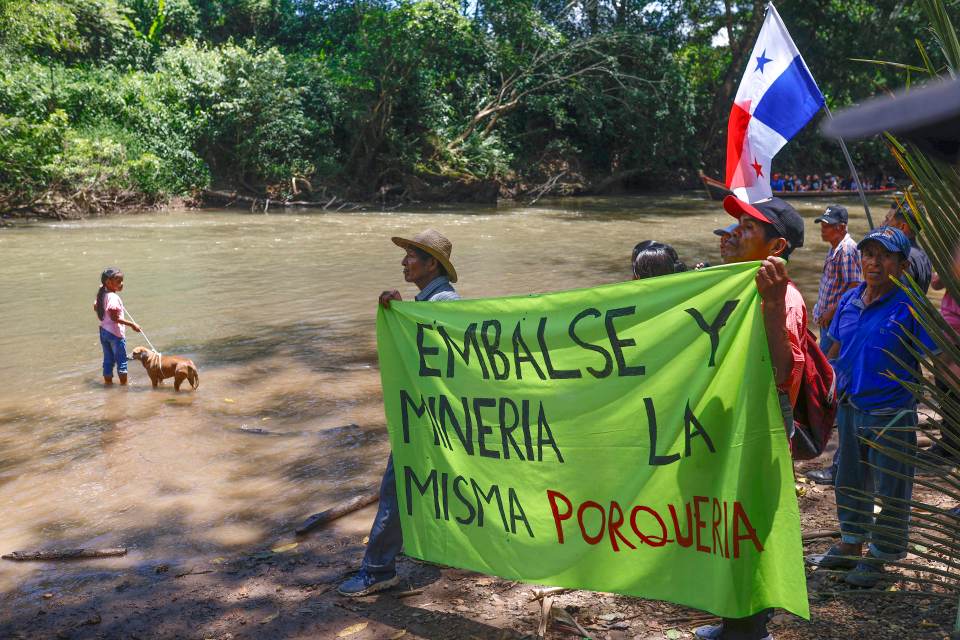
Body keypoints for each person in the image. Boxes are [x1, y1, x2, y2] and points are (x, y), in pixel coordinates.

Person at [695, 196, 806, 640]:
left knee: (750, 522)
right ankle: (733, 623)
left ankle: (751, 630)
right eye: (736, 223)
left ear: (776, 247)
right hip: (735, 418)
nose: (735, 232)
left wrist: (774, 304)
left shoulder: (786, 298)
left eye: (747, 226)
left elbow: (783, 374)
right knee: (727, 515)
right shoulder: (737, 287)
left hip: (761, 424)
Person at [811, 227, 939, 587]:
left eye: (884, 256)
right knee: (849, 480)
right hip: (850, 407)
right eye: (868, 254)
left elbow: (941, 356)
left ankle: (882, 556)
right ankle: (852, 543)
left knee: (892, 488)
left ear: (901, 265)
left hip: (892, 412)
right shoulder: (851, 300)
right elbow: (829, 352)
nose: (874, 262)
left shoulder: (912, 306)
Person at [338, 228, 461, 597]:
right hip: (435, 416)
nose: (403, 261)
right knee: (433, 484)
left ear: (431, 263)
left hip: (429, 418)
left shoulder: (443, 307)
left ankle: (378, 570)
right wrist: (399, 310)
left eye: (410, 255)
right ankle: (441, 548)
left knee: (398, 488)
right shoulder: (432, 303)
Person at [805, 206, 861, 485]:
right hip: (828, 322)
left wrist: (831, 313)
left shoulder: (848, 250)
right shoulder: (835, 248)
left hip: (836, 324)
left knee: (830, 372)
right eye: (822, 224)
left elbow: (852, 288)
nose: (823, 228)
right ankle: (832, 414)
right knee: (828, 371)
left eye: (827, 224)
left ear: (841, 226)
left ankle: (831, 416)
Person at [93, 267, 141, 386]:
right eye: (118, 281)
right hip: (115, 334)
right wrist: (132, 325)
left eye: (122, 281)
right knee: (122, 361)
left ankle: (108, 385)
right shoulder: (113, 297)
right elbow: (114, 318)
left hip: (104, 331)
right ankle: (124, 387)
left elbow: (95, 307)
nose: (121, 284)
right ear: (108, 283)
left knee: (108, 360)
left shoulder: (102, 294)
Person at [883, 200, 932, 293]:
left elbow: (894, 295)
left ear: (902, 227)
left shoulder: (902, 256)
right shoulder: (924, 255)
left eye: (887, 220)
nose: (882, 224)